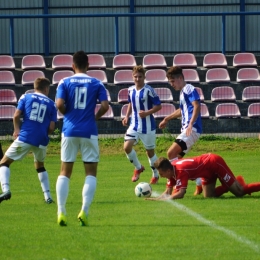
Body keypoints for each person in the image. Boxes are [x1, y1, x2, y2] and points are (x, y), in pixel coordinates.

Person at [55, 50, 109, 227]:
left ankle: (61, 211)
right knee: (91, 173)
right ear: (88, 65)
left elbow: (59, 104)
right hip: (89, 131)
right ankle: (84, 210)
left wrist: (68, 115)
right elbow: (105, 106)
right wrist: (95, 117)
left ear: (72, 65)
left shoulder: (64, 82)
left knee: (65, 172)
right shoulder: (96, 83)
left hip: (69, 130)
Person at [0, 77, 56, 204]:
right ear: (46, 88)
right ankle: (48, 197)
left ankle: (6, 190)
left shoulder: (26, 97)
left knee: (4, 163)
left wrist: (16, 130)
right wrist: (43, 134)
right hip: (42, 139)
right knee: (40, 166)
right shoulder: (52, 104)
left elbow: (16, 115)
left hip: (26, 137)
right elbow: (52, 127)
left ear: (35, 87)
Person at [159, 66, 203, 195]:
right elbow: (181, 111)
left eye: (173, 81)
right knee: (179, 163)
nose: (171, 84)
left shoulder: (189, 88)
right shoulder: (183, 92)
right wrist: (167, 118)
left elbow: (197, 105)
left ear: (180, 78)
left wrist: (190, 124)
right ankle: (200, 181)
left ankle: (177, 187)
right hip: (189, 130)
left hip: (191, 130)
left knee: (171, 153)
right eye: (170, 81)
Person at [146, 153, 260, 200]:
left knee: (239, 192)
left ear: (167, 170)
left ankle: (234, 184)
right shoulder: (171, 172)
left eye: (161, 173)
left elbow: (180, 194)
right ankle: (228, 186)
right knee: (209, 196)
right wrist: (156, 199)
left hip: (214, 163)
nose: (160, 176)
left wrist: (167, 200)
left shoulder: (180, 171)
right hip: (206, 171)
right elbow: (167, 192)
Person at [122, 65, 162, 184]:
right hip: (134, 125)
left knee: (150, 152)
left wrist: (147, 113)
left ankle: (155, 175)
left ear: (144, 77)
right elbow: (130, 103)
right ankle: (138, 168)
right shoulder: (130, 90)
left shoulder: (149, 90)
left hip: (148, 126)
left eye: (140, 76)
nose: (138, 79)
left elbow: (158, 106)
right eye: (135, 77)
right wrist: (126, 116)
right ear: (132, 77)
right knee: (126, 147)